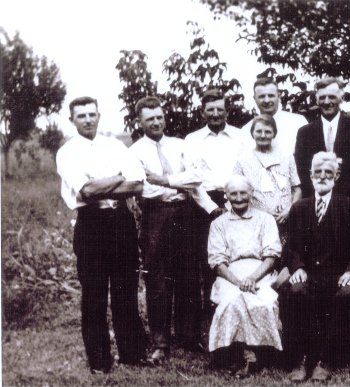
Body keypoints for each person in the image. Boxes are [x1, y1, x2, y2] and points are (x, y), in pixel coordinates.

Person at [56, 96, 148, 373]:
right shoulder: (67, 152)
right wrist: (119, 177)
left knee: (126, 291)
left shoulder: (115, 145)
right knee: (94, 295)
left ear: (99, 115)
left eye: (91, 114)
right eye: (81, 115)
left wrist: (110, 183)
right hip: (91, 224)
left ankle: (132, 354)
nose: (87, 119)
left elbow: (137, 184)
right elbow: (87, 192)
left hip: (121, 221)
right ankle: (99, 361)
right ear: (72, 119)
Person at [280, 152, 350, 382]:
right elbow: (290, 247)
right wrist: (298, 268)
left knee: (347, 294)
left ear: (337, 176)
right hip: (309, 273)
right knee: (295, 291)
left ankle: (327, 360)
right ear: (310, 175)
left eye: (328, 173)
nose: (322, 177)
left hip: (338, 274)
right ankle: (301, 358)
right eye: (318, 172)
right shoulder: (299, 208)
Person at [128, 96, 209, 363]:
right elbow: (144, 189)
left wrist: (164, 180)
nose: (156, 122)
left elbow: (197, 176)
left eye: (159, 117)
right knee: (158, 280)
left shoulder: (179, 145)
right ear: (140, 122)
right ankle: (160, 342)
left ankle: (189, 336)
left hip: (187, 215)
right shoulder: (135, 152)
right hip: (156, 218)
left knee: (188, 276)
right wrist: (177, 185)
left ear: (165, 117)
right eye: (149, 119)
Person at [207, 175, 282, 378]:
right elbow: (217, 261)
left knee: (263, 301)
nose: (239, 198)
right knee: (232, 300)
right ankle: (235, 353)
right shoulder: (219, 224)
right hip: (230, 274)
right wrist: (237, 281)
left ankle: (259, 353)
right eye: (234, 193)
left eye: (243, 193)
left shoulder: (265, 219)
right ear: (226, 195)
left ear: (251, 194)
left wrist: (252, 278)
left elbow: (271, 255)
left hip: (260, 271)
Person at [184, 89, 248, 315]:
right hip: (203, 204)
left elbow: (245, 171)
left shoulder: (241, 137)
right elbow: (192, 180)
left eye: (219, 109)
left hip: (237, 201)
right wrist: (212, 208)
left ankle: (237, 317)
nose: (215, 114)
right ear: (202, 112)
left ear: (227, 111)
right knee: (209, 263)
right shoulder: (192, 140)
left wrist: (231, 204)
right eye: (210, 110)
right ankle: (212, 323)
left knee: (235, 258)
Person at [295, 77, 350, 199]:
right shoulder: (305, 132)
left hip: (349, 202)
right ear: (317, 100)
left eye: (332, 97)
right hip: (315, 202)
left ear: (341, 98)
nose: (327, 102)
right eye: (322, 98)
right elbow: (302, 171)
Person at [234, 114, 302, 228]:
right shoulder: (243, 160)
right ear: (252, 133)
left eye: (268, 132)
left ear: (274, 133)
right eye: (259, 131)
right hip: (256, 221)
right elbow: (237, 193)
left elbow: (297, 189)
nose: (263, 135)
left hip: (287, 219)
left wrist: (290, 210)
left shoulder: (286, 156)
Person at [242, 77, 308, 156]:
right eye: (262, 96)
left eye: (271, 96)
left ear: (279, 96)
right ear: (254, 99)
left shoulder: (298, 122)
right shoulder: (246, 130)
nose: (266, 100)